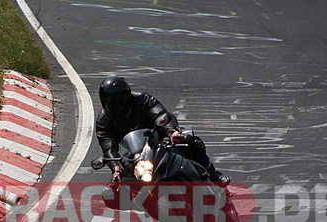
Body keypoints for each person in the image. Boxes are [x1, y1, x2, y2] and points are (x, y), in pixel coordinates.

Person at [95, 75, 229, 185]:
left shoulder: (143, 100)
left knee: (193, 143)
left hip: (160, 139)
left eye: (115, 101)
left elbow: (161, 115)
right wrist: (115, 168)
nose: (111, 106)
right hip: (137, 154)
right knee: (111, 191)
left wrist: (172, 132)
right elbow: (108, 148)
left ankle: (214, 174)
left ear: (125, 98)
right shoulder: (103, 121)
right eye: (106, 102)